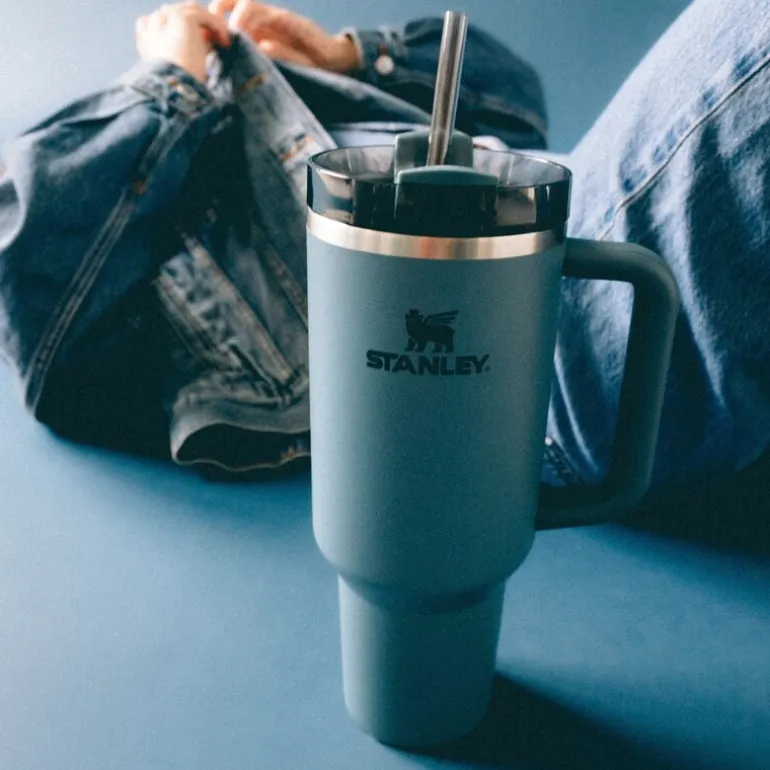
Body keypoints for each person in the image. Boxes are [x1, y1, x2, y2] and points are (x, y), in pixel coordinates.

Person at [0, 0, 768, 496]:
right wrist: (169, 81)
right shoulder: (163, 225)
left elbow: (518, 105)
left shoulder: (323, 122)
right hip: (527, 363)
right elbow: (33, 277)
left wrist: (349, 59)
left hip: (580, 253)